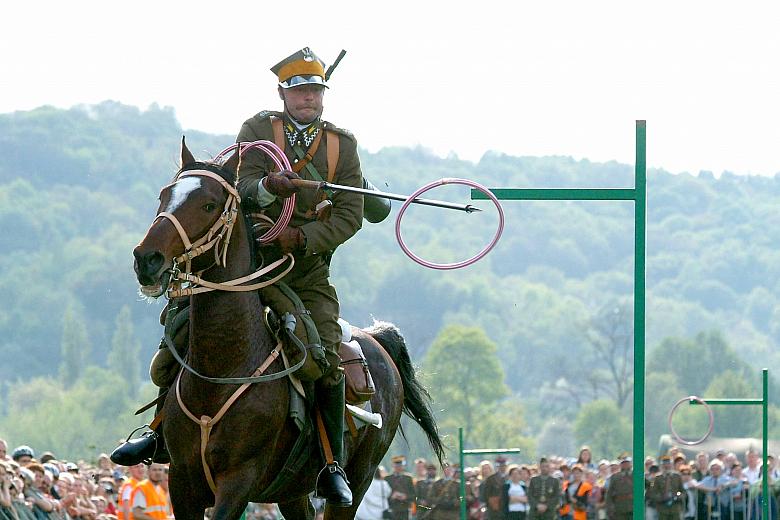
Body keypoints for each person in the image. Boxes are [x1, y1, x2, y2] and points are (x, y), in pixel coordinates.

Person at [111, 47, 388, 508]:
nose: (308, 98)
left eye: (315, 91)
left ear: (323, 95)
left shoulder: (343, 145)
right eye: (299, 90)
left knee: (324, 355)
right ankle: (159, 432)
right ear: (283, 93)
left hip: (305, 272)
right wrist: (268, 188)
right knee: (179, 328)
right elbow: (236, 188)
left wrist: (300, 239)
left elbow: (350, 215)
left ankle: (332, 464)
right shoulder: (258, 130)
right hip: (247, 260)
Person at [648, 455, 684, 520]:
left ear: (672, 465)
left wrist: (677, 496)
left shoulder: (677, 476)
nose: (667, 466)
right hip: (662, 509)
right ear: (661, 466)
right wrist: (662, 498)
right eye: (664, 464)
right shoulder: (657, 478)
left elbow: (682, 491)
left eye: (668, 464)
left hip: (675, 508)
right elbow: (653, 493)